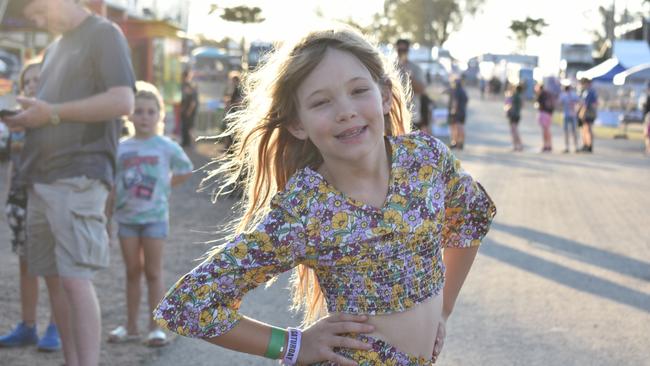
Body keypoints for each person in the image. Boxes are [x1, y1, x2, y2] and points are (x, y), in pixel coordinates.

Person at [153, 26, 496, 366]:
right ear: (297, 124)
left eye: (358, 90)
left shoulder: (426, 160)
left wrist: (444, 310)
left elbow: (471, 217)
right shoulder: (305, 210)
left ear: (386, 96)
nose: (345, 111)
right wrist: (293, 345)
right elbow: (190, 304)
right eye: (321, 102)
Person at [2, 1, 136, 365]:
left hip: (79, 174)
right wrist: (29, 117)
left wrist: (54, 113)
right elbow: (50, 112)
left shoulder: (104, 34)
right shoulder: (57, 46)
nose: (41, 23)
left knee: (76, 280)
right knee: (54, 279)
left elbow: (123, 101)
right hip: (40, 177)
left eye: (40, 14)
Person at [107, 82, 193, 347]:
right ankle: (130, 326)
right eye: (139, 111)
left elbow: (185, 169)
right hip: (127, 220)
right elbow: (112, 182)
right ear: (129, 115)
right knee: (132, 272)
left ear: (160, 115)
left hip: (155, 219)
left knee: (153, 273)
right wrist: (106, 214)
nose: (144, 117)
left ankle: (156, 328)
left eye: (150, 112)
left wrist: (165, 186)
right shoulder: (120, 147)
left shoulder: (165, 147)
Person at [0, 62, 62, 352]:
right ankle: (27, 326)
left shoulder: (57, 121)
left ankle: (56, 326)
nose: (34, 85)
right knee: (26, 265)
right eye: (29, 81)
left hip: (48, 200)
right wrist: (7, 199)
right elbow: (13, 163)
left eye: (40, 79)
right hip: (19, 200)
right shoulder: (18, 123)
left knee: (52, 266)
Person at [395, 39, 427, 133]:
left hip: (413, 116)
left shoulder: (415, 68)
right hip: (395, 116)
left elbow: (421, 90)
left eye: (404, 50)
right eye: (399, 50)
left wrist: (409, 75)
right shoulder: (390, 67)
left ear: (408, 50)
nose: (402, 53)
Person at [577, 78, 597, 153]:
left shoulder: (589, 91)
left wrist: (581, 113)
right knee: (585, 129)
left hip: (588, 113)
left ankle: (588, 145)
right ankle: (586, 144)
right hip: (589, 112)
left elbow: (586, 104)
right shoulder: (589, 91)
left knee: (587, 128)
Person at [558, 85, 580, 153]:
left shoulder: (563, 95)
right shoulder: (574, 95)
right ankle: (575, 146)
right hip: (571, 114)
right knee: (572, 131)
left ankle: (568, 146)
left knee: (568, 131)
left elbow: (559, 104)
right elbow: (579, 102)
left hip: (568, 115)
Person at [180, 69, 198, 148]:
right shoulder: (184, 85)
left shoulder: (190, 86)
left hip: (189, 111)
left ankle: (191, 143)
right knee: (185, 127)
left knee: (189, 127)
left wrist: (189, 111)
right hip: (185, 110)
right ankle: (185, 142)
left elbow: (193, 102)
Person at [448, 78, 468, 150]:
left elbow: (455, 101)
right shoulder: (463, 91)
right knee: (461, 127)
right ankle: (461, 143)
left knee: (456, 128)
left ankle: (455, 142)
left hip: (457, 112)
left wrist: (453, 110)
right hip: (463, 112)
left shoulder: (456, 91)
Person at [535, 83, 555, 152]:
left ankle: (545, 145)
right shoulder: (548, 94)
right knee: (548, 130)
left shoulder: (541, 94)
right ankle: (549, 145)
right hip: (549, 113)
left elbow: (538, 104)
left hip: (543, 113)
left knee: (545, 130)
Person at [504, 84, 523, 152]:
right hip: (517, 115)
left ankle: (517, 145)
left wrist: (507, 109)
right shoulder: (519, 96)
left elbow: (509, 105)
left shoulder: (514, 96)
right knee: (514, 130)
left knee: (514, 131)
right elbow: (522, 105)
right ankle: (517, 145)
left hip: (513, 115)